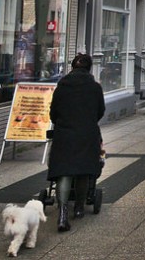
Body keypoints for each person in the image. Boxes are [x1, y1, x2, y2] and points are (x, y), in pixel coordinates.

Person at [47, 53, 105, 232]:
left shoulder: (62, 86)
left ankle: (63, 214)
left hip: (64, 134)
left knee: (64, 172)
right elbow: (100, 111)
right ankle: (79, 208)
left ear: (72, 67)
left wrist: (62, 122)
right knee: (83, 171)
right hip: (86, 134)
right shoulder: (94, 87)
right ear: (89, 68)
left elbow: (53, 113)